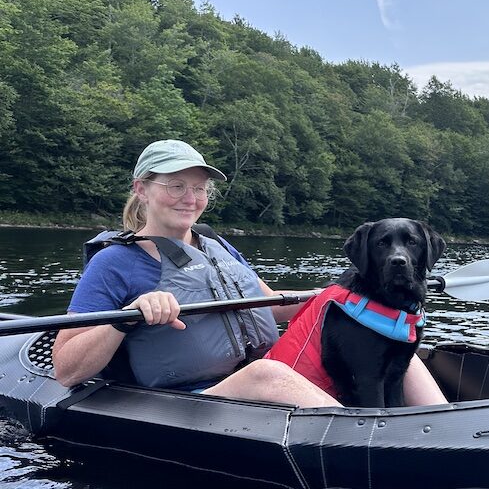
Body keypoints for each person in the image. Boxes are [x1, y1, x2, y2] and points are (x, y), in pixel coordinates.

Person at [52, 139, 446, 408]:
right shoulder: (114, 262)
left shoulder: (217, 247)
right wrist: (127, 318)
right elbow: (67, 368)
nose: (190, 199)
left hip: (261, 371)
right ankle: (369, 438)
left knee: (392, 338)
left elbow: (269, 306)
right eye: (175, 186)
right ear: (142, 189)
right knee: (268, 373)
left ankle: (444, 424)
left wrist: (336, 297)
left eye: (199, 188)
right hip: (193, 397)